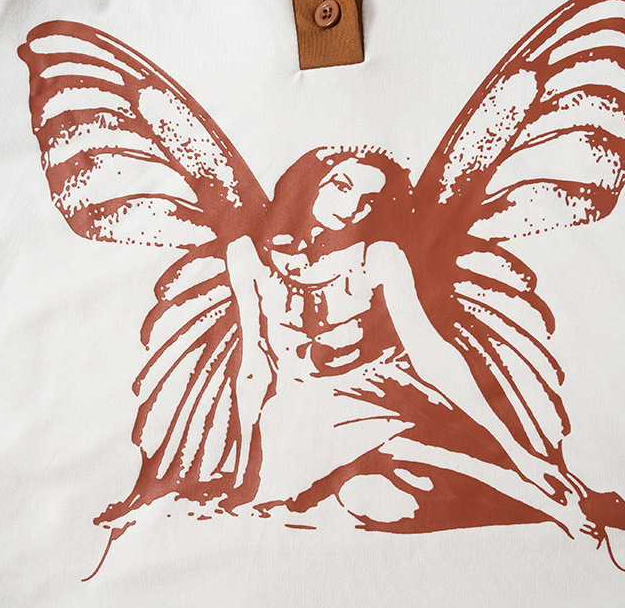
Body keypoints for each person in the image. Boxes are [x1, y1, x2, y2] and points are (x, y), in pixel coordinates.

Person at [225, 146, 600, 540]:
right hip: (301, 407)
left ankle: (540, 492)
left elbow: (431, 353)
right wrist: (245, 471)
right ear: (308, 182)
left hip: (384, 397)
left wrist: (516, 450)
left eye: (367, 200)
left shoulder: (379, 257)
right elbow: (253, 367)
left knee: (411, 473)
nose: (352, 208)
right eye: (341, 186)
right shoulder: (248, 255)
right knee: (378, 500)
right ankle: (539, 499)